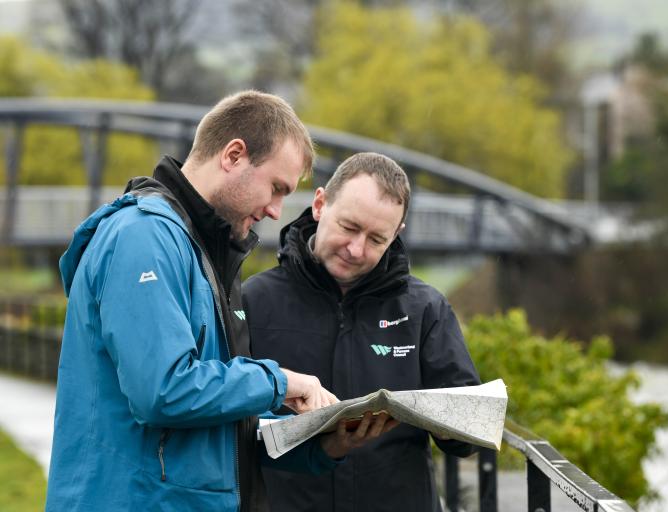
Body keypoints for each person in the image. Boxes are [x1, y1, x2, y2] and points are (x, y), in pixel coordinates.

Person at [46, 91, 395, 511]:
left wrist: (324, 442)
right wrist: (280, 381)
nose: (275, 211)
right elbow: (162, 391)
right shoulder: (145, 238)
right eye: (276, 188)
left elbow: (219, 426)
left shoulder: (208, 249)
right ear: (233, 156)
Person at [242, 152, 482, 512]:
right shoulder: (253, 300)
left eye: (376, 239)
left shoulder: (425, 308)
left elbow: (468, 436)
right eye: (349, 227)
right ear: (320, 204)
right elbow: (225, 423)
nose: (356, 249)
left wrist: (456, 429)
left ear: (397, 234)